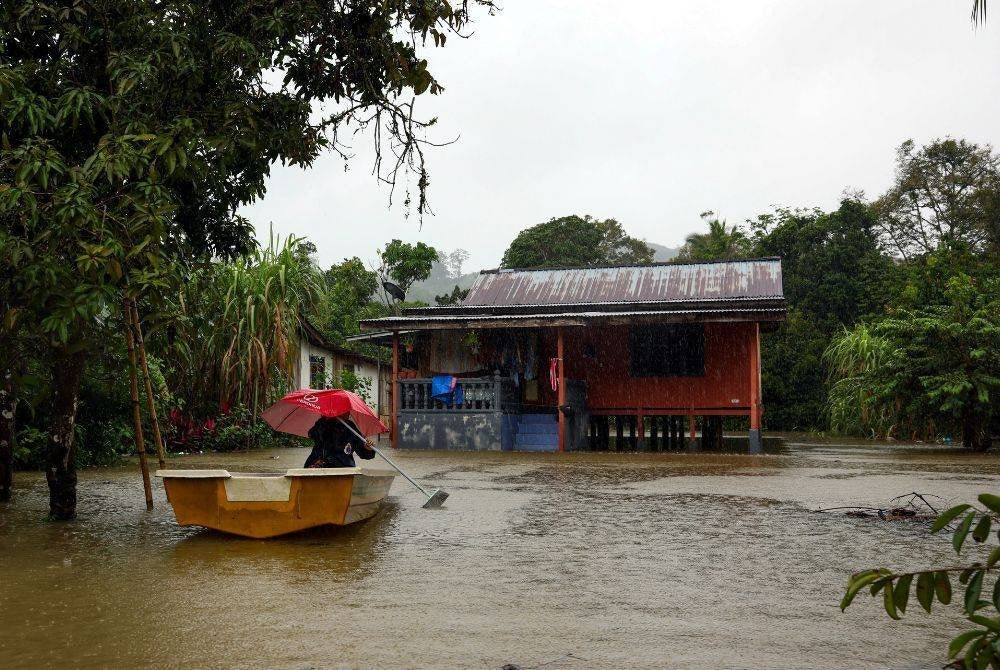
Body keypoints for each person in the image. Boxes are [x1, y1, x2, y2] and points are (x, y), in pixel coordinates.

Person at [304, 417, 377, 468]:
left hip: (344, 467)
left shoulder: (350, 427)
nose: (348, 413)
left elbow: (364, 454)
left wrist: (368, 449)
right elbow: (313, 434)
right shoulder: (322, 424)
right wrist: (327, 420)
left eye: (348, 410)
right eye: (345, 410)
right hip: (318, 466)